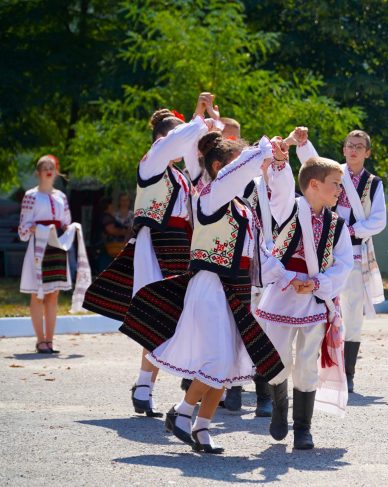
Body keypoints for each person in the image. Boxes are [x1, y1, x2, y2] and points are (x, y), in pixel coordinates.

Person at [121, 131, 286, 453]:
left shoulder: (242, 207)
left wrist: (286, 275)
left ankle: (201, 427)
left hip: (233, 290)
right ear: (218, 165)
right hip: (210, 286)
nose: (245, 169)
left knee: (228, 364)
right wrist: (262, 150)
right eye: (235, 162)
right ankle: (182, 413)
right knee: (217, 360)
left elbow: (256, 251)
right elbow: (234, 174)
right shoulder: (210, 197)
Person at [83, 93, 219, 417]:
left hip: (179, 245)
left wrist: (209, 114)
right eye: (173, 137)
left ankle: (159, 382)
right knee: (159, 312)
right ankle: (148, 385)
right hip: (156, 244)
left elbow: (203, 154)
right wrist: (196, 116)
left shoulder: (180, 175)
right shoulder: (152, 162)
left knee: (177, 313)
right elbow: (183, 138)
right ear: (161, 138)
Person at [255, 152, 354, 450]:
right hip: (282, 296)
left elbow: (343, 263)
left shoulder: (336, 225)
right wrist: (287, 278)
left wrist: (318, 283)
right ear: (314, 184)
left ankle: (303, 428)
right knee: (278, 360)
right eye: (335, 184)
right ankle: (280, 408)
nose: (339, 190)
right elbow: (267, 249)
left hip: (312, 300)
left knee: (308, 362)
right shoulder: (287, 212)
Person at [294, 130, 386, 394]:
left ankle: (347, 373)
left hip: (355, 250)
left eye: (359, 146)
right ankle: (316, 370)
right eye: (349, 146)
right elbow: (312, 164)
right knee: (320, 306)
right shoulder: (334, 173)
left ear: (367, 152)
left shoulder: (373, 183)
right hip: (324, 248)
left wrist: (353, 230)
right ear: (343, 149)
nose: (353, 150)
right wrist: (303, 143)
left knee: (353, 311)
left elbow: (379, 219)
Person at [18, 155, 89, 354]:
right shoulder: (31, 196)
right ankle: (40, 340)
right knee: (37, 293)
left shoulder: (61, 197)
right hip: (39, 246)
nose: (49, 170)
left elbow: (65, 221)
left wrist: (72, 228)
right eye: (44, 167)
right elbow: (23, 227)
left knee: (53, 293)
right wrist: (39, 229)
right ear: (38, 173)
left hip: (57, 245)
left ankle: (50, 340)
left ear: (56, 172)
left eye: (51, 167)